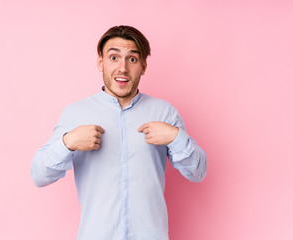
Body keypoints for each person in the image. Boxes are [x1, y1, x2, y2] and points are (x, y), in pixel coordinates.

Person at [31, 25, 207, 240]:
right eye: (114, 57)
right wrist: (68, 142)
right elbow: (39, 176)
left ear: (143, 66)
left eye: (132, 59)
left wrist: (176, 138)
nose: (122, 68)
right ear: (100, 62)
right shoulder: (75, 113)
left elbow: (198, 173)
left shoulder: (164, 112)